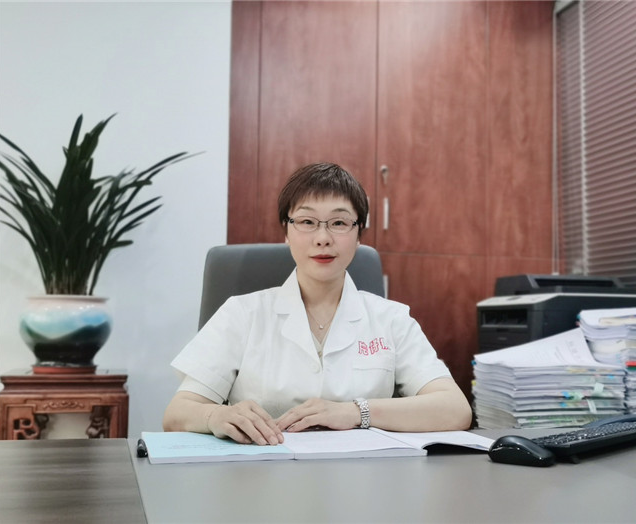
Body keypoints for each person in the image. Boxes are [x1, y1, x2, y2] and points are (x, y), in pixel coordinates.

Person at [163, 162, 472, 445]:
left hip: (365, 478)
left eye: (339, 223)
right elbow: (177, 413)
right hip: (263, 476)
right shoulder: (242, 314)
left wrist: (355, 412)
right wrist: (215, 416)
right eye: (307, 221)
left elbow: (454, 409)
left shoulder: (391, 319)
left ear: (359, 235)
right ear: (286, 232)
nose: (323, 238)